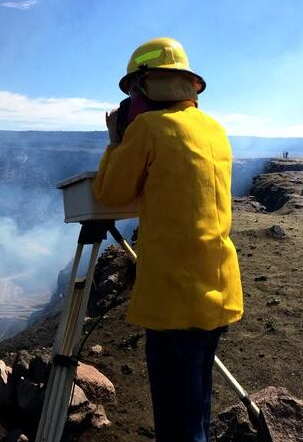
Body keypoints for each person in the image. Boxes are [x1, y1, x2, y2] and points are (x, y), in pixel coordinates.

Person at [92, 37, 243, 442]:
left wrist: (115, 143)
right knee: (196, 408)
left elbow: (110, 193)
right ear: (186, 84)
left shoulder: (148, 128)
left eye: (133, 93)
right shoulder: (214, 130)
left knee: (178, 425)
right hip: (219, 290)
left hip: (175, 299)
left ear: (144, 87)